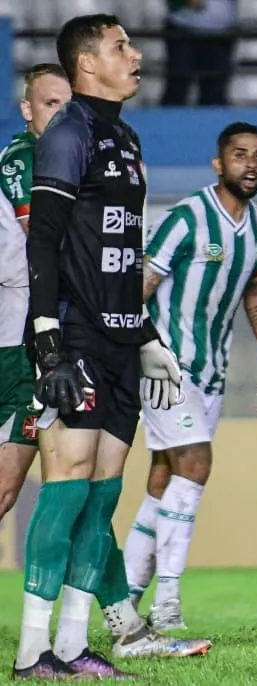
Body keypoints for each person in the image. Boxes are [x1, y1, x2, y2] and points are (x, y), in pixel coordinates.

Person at [15, 14, 211, 680]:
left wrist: (149, 338)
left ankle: (72, 647)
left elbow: (121, 256)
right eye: (121, 47)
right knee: (64, 492)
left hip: (122, 340)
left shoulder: (125, 137)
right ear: (86, 64)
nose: (135, 55)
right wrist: (47, 339)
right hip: (73, 335)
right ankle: (31, 651)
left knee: (102, 499)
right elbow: (44, 241)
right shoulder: (68, 134)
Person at [122, 121, 257, 631]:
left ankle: (124, 599)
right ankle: (167, 604)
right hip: (165, 364)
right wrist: (124, 349)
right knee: (196, 463)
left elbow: (256, 292)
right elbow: (142, 284)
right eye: (239, 155)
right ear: (219, 164)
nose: (250, 165)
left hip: (211, 371)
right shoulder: (187, 218)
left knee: (164, 480)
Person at [0, 64, 71, 524]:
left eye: (69, 106)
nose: (61, 115)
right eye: (50, 104)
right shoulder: (25, 159)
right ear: (27, 108)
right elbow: (43, 235)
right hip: (20, 341)